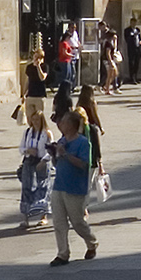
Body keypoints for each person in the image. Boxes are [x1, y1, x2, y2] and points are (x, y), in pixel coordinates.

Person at [47, 112, 100, 266]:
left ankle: (92, 242)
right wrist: (54, 155)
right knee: (59, 221)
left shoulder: (83, 143)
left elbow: (84, 165)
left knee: (77, 222)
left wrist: (67, 154)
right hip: (59, 185)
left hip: (75, 188)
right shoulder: (62, 140)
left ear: (71, 125)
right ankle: (62, 254)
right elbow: (58, 164)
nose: (60, 124)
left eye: (63, 122)